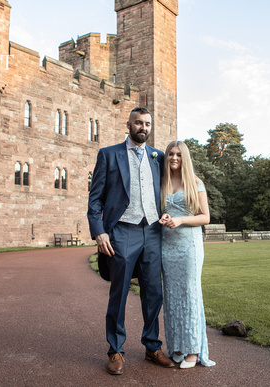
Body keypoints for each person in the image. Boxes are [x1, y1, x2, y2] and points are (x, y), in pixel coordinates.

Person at [87, 107, 174, 375]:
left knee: (153, 293)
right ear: (128, 125)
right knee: (120, 292)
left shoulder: (157, 157)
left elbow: (166, 191)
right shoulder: (109, 154)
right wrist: (99, 231)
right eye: (138, 123)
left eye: (147, 124)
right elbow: (95, 199)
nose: (143, 128)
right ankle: (115, 350)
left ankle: (152, 346)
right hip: (123, 230)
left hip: (153, 230)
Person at [159, 140, 216, 369]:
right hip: (167, 246)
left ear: (185, 158)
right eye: (171, 154)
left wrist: (181, 219)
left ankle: (193, 350)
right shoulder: (163, 182)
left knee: (190, 294)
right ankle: (177, 348)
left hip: (189, 247)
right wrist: (165, 216)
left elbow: (205, 217)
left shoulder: (195, 182)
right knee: (172, 297)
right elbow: (164, 210)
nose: (174, 158)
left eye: (179, 154)